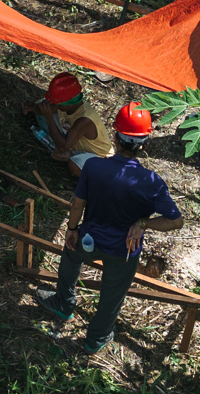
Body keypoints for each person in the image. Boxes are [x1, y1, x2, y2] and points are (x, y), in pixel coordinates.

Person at [34, 103, 185, 353]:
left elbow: (77, 203)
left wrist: (72, 228)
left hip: (89, 240)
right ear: (145, 144)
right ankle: (97, 338)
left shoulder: (94, 167)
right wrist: (143, 223)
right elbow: (176, 221)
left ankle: (63, 304)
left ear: (115, 136)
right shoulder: (151, 182)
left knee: (71, 254)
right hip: (124, 251)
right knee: (112, 294)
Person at [22, 73, 111, 177]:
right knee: (43, 105)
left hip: (97, 157)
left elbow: (62, 148)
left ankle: (78, 162)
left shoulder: (84, 120)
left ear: (69, 102)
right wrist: (33, 108)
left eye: (57, 103)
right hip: (73, 144)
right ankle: (68, 150)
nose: (55, 105)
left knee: (74, 164)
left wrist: (49, 118)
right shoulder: (67, 105)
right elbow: (46, 108)